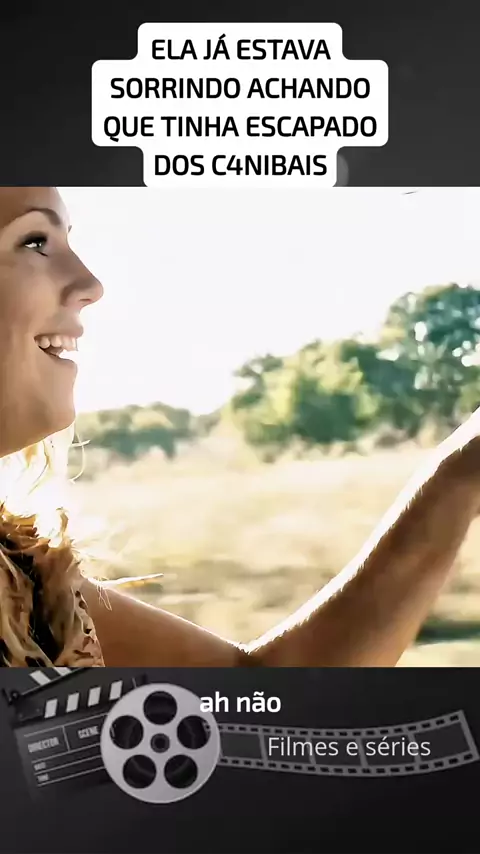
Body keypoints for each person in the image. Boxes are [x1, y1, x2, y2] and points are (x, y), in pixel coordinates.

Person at [1, 186, 480, 669]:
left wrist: (460, 475)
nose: (90, 284)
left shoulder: (24, 579)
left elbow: (262, 695)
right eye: (34, 241)